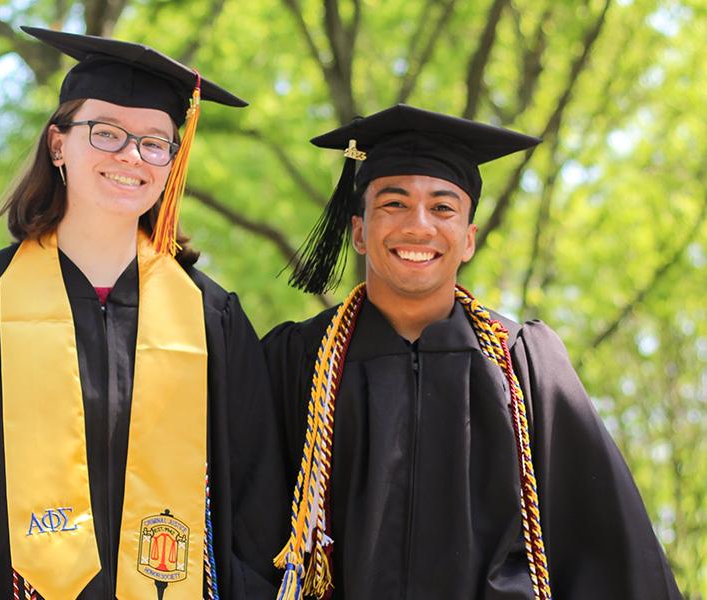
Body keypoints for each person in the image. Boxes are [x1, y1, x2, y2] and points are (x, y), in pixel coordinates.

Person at [0, 26, 287, 600]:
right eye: (106, 133)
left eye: (155, 142)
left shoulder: (213, 321)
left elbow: (255, 527)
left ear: (171, 162)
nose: (132, 155)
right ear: (58, 145)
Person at [263, 104, 682, 599]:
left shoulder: (524, 362)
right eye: (394, 204)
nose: (418, 226)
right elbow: (245, 531)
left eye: (443, 208)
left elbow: (608, 550)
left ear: (468, 240)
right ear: (358, 231)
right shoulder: (297, 360)